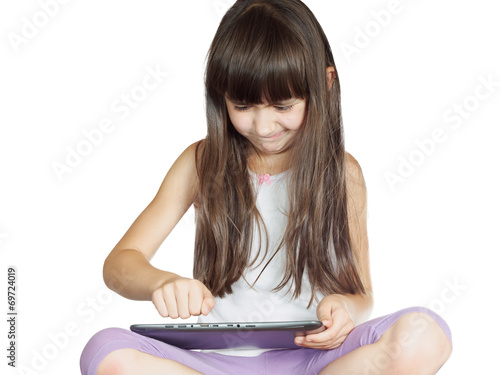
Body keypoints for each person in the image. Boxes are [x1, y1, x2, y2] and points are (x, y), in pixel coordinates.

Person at [80, 1, 452, 374]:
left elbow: (362, 294)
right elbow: (119, 264)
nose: (263, 126)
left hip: (316, 360)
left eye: (282, 105)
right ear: (220, 94)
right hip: (215, 362)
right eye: (242, 105)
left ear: (324, 83)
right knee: (106, 351)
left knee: (425, 335)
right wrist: (161, 282)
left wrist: (345, 310)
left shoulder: (342, 173)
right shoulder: (200, 163)